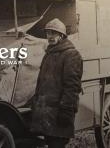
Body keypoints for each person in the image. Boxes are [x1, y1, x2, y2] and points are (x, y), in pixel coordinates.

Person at [30, 18, 83, 148]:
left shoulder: (71, 55)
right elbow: (42, 82)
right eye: (48, 33)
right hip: (47, 113)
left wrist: (66, 110)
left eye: (54, 33)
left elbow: (72, 86)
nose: (50, 36)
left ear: (62, 35)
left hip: (60, 112)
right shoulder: (49, 53)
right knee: (50, 143)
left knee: (57, 144)